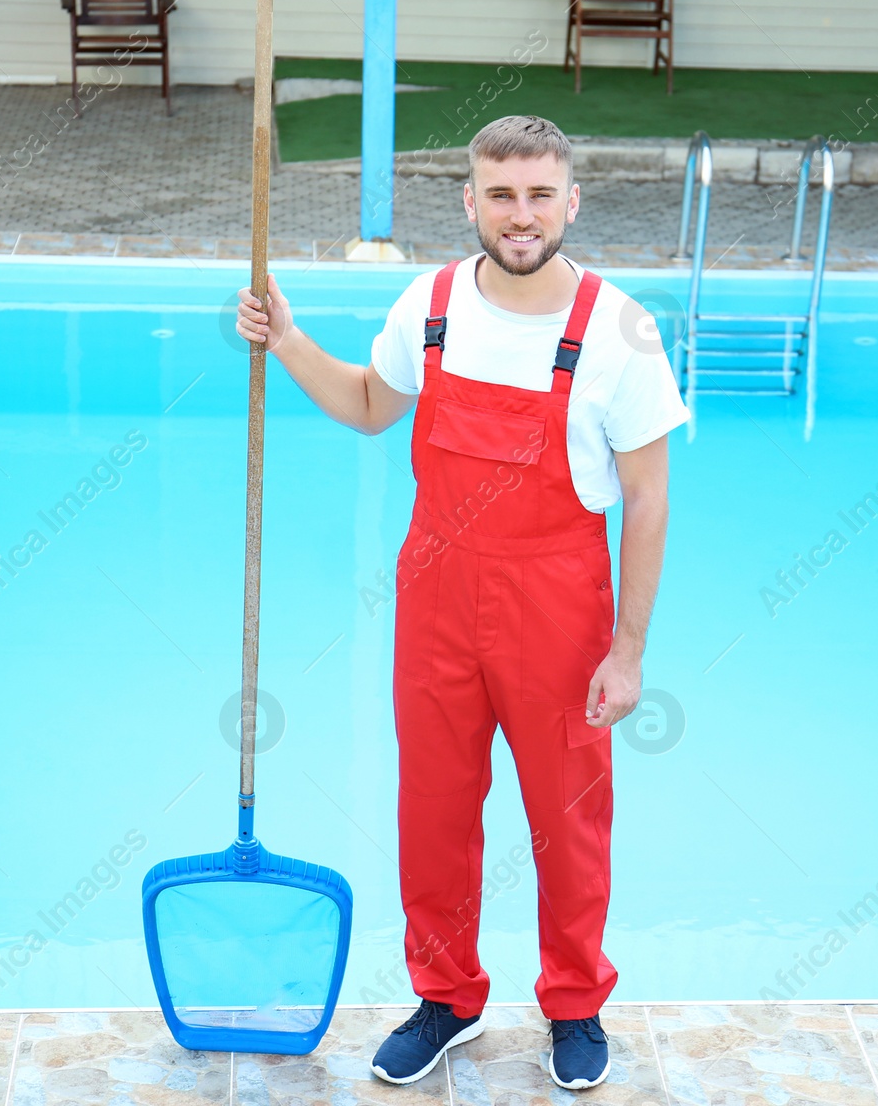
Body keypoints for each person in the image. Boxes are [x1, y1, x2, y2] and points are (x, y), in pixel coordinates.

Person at [235, 114, 687, 1090]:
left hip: (558, 610)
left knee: (568, 817)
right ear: (470, 201)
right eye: (499, 193)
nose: (518, 215)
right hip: (435, 602)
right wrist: (287, 341)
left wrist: (629, 647)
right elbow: (366, 405)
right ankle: (446, 997)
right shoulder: (430, 303)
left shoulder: (619, 331)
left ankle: (573, 1004)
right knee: (434, 810)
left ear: (570, 201)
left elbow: (646, 499)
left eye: (537, 195)